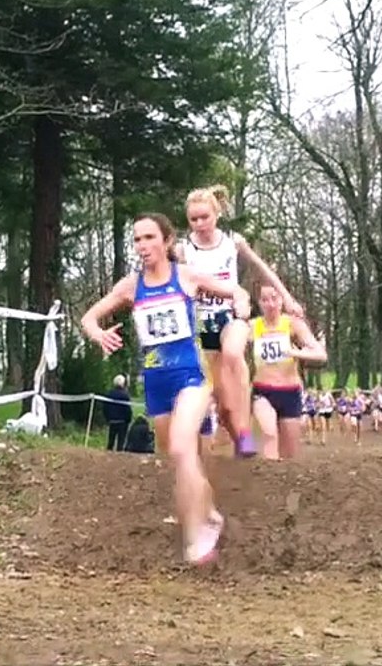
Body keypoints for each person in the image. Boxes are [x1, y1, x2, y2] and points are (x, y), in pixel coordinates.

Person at [80, 212, 251, 565]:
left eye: (149, 238)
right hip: (155, 381)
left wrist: (242, 302)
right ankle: (209, 512)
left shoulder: (185, 276)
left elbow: (234, 288)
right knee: (179, 457)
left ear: (167, 241)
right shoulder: (130, 286)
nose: (142, 246)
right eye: (137, 240)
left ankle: (196, 537)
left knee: (180, 445)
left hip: (191, 376)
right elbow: (88, 318)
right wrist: (98, 334)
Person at [175, 185, 302, 459]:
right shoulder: (184, 249)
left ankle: (244, 431)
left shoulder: (233, 241)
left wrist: (288, 299)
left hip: (232, 313)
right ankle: (239, 443)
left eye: (204, 217)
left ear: (216, 215)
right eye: (193, 219)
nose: (199, 224)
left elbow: (263, 269)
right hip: (204, 322)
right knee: (222, 400)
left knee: (234, 353)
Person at [247, 285, 328, 459]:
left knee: (289, 456)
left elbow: (321, 354)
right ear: (259, 303)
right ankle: (266, 476)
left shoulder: (292, 324)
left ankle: (280, 483)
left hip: (290, 392)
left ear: (282, 300)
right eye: (265, 299)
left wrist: (295, 353)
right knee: (269, 434)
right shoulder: (253, 326)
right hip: (262, 390)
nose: (270, 304)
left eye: (274, 298)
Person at [102, 375, 133, 451]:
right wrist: (128, 420)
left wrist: (107, 418)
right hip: (122, 422)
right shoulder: (125, 395)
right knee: (120, 443)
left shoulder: (109, 394)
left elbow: (105, 407)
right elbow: (127, 409)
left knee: (110, 441)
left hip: (112, 421)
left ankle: (107, 456)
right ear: (123, 384)